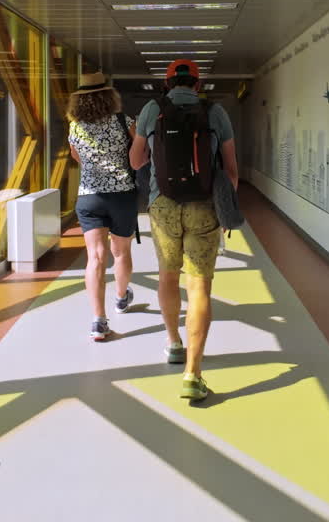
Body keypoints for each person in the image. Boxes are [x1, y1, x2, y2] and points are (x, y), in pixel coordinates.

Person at [130, 60, 237, 401]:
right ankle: (193, 373)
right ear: (197, 82)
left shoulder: (152, 109)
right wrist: (226, 207)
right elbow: (231, 170)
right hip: (204, 205)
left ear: (167, 82)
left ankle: (173, 342)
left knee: (167, 275)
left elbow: (135, 161)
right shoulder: (215, 111)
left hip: (162, 204)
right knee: (200, 285)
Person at [67, 70, 138, 341]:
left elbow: (78, 158)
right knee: (120, 252)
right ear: (109, 96)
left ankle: (98, 320)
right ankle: (121, 297)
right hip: (122, 194)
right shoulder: (123, 120)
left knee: (95, 257)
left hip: (89, 196)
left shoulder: (75, 126)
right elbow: (138, 153)